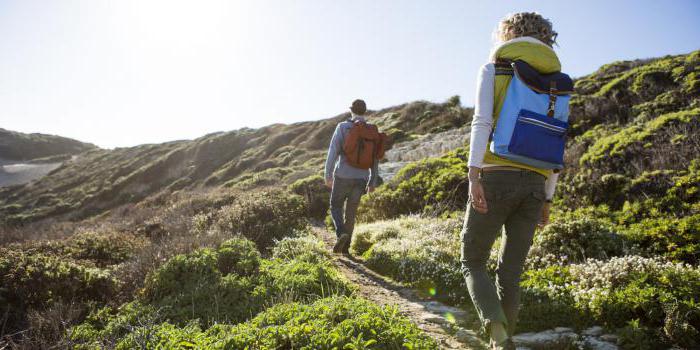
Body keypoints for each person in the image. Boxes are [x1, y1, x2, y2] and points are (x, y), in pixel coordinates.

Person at [461, 12, 563, 350]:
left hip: (494, 176)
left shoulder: (495, 69)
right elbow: (556, 142)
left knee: (473, 261)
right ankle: (503, 342)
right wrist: (548, 198)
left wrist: (473, 174)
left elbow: (481, 122)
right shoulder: (558, 83)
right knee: (511, 272)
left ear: (508, 34)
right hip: (535, 184)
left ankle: (498, 336)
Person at [324, 99, 380, 255]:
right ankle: (346, 249)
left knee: (335, 206)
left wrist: (327, 174)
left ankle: (341, 232)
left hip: (343, 175)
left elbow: (333, 152)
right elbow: (375, 158)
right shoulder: (371, 130)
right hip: (362, 178)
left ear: (352, 111)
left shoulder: (343, 127)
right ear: (365, 112)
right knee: (351, 213)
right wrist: (372, 181)